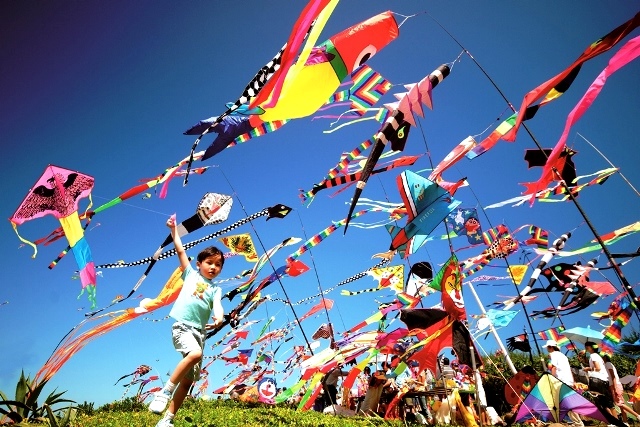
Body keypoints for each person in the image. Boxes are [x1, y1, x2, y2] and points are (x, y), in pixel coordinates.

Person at [148, 215, 225, 427]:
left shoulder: (216, 289)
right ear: (199, 264)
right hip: (182, 327)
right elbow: (181, 251)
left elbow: (218, 306)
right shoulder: (190, 274)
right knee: (195, 354)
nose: (213, 267)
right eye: (209, 263)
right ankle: (164, 391)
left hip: (199, 334)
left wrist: (219, 317)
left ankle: (167, 420)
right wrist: (173, 229)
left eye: (218, 265)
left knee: (190, 381)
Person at [543, 339, 584, 427]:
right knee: (566, 403)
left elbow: (554, 368)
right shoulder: (563, 356)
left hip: (560, 381)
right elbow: (569, 370)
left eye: (547, 347)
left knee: (565, 403)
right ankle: (576, 422)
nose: (547, 349)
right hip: (568, 381)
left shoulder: (553, 354)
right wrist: (573, 382)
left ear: (550, 347)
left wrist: (552, 379)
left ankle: (578, 423)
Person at [603, 354, 639, 424]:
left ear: (605, 357)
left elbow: (613, 376)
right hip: (615, 385)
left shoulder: (607, 364)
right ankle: (625, 422)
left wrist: (615, 387)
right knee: (621, 404)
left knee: (619, 404)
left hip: (615, 385)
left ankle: (637, 416)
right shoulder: (608, 364)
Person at [583, 341, 615, 413]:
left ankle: (614, 421)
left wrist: (588, 369)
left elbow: (598, 368)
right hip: (603, 380)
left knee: (607, 403)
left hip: (600, 381)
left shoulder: (593, 355)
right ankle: (612, 421)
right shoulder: (596, 356)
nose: (586, 348)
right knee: (604, 403)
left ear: (592, 348)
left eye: (587, 346)